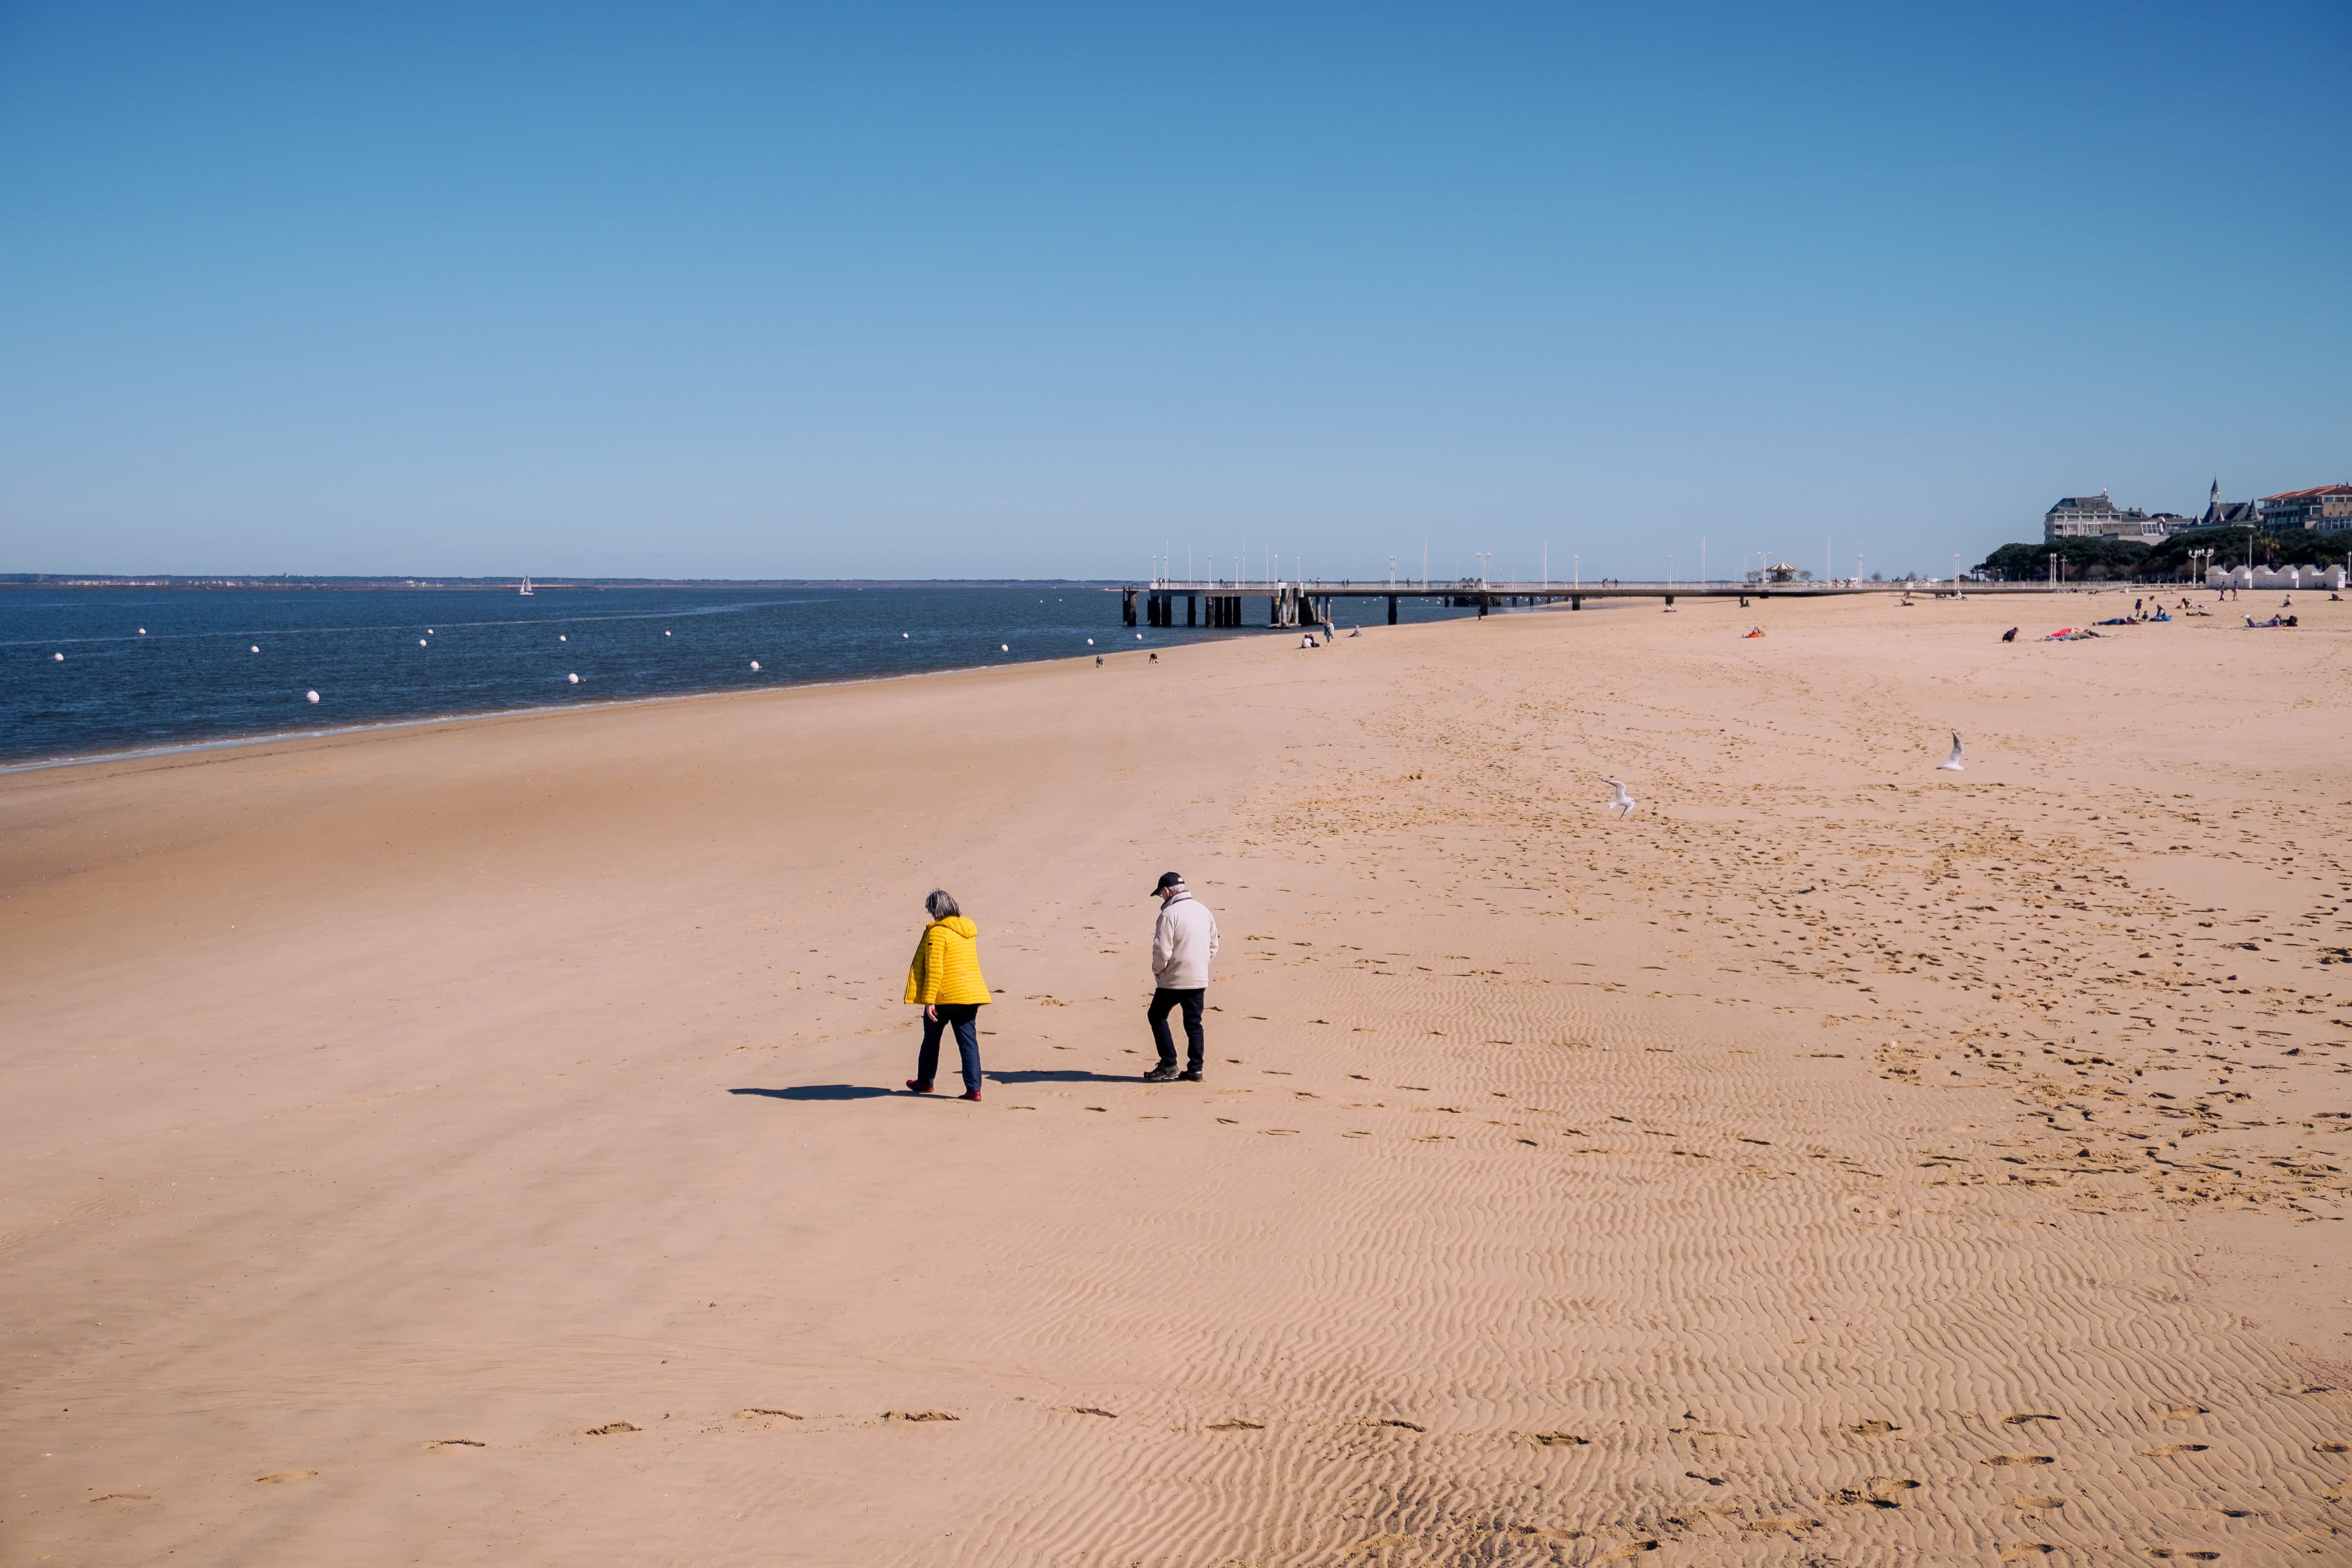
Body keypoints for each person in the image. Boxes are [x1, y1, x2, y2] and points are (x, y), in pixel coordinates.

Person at [903, 889, 990, 1101]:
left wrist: (929, 1000)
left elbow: (935, 969)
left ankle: (925, 1082)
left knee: (931, 1040)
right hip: (971, 994)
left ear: (935, 910)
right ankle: (974, 1089)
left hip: (945, 996)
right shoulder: (967, 931)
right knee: (969, 1042)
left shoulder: (937, 932)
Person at [1142, 872, 1219, 1083]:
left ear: (1166, 891)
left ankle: (1169, 1063)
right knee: (1194, 1024)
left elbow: (1162, 951)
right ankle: (1195, 1070)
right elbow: (1214, 945)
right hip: (1198, 978)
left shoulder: (1169, 914)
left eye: (1160, 895)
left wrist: (1159, 971)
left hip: (1173, 979)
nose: (1161, 898)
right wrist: (1201, 966)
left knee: (1156, 1016)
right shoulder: (1204, 911)